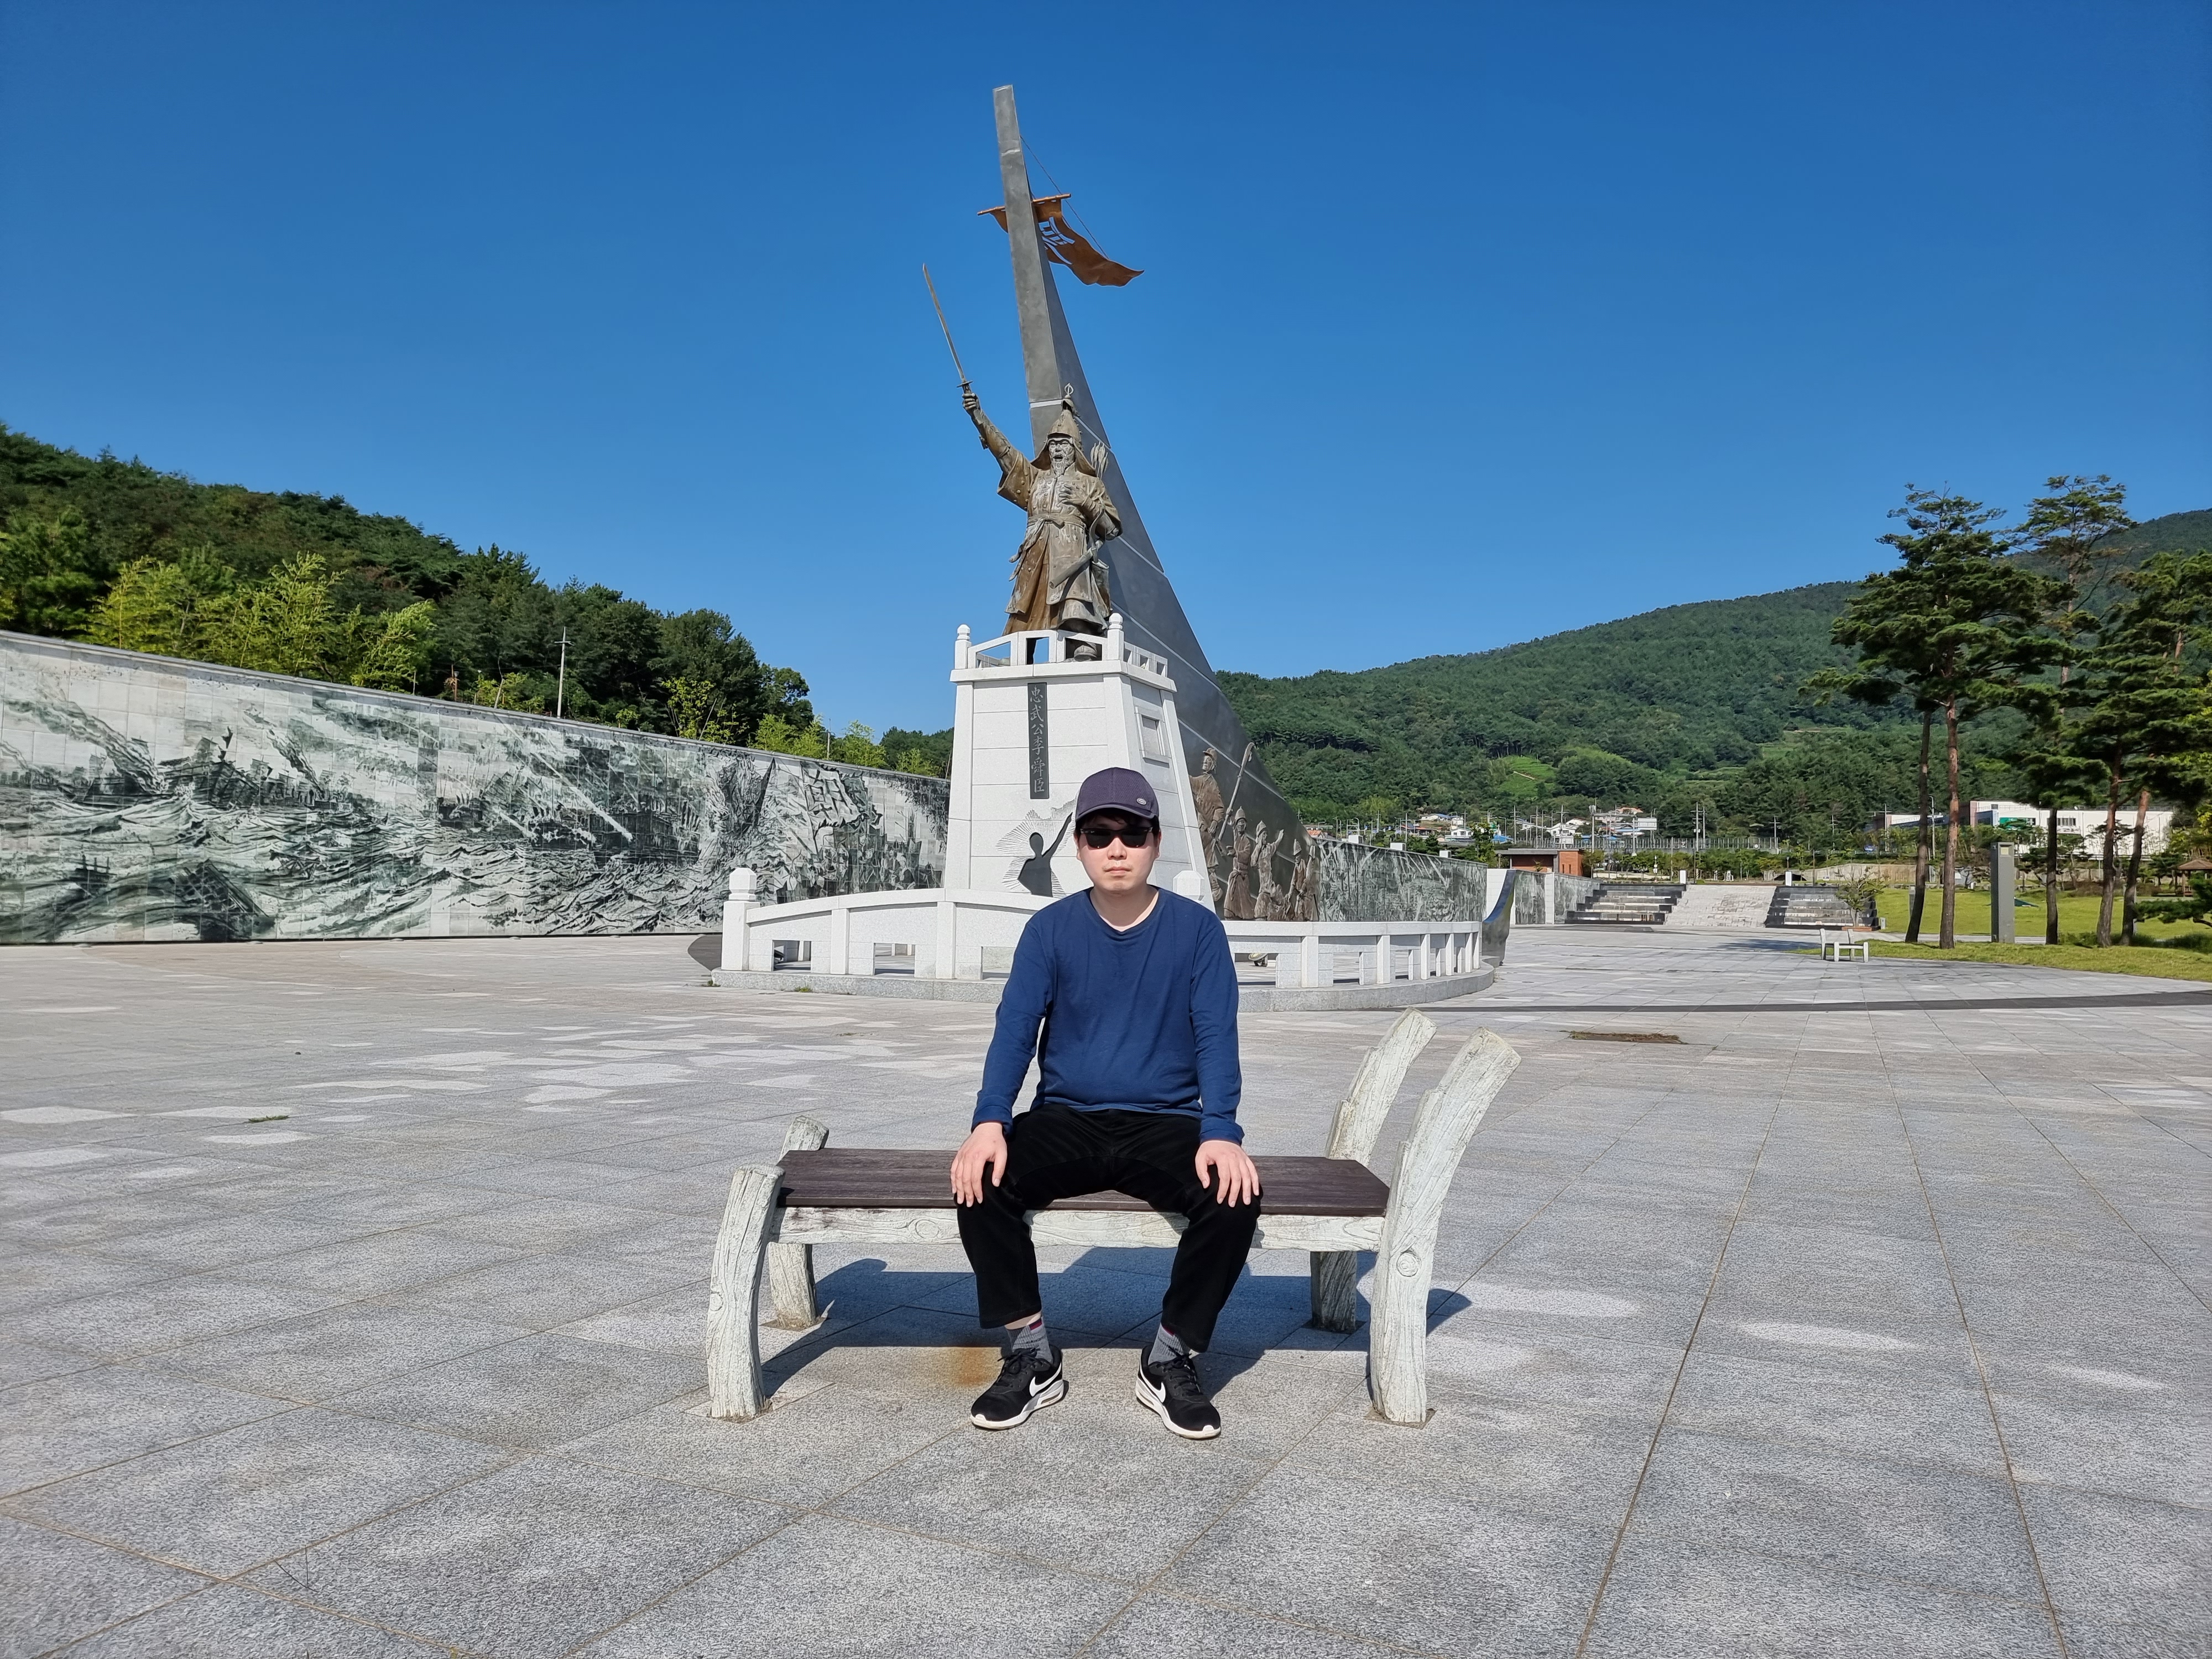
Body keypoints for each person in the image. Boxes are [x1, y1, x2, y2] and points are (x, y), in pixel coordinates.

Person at [950, 766, 1259, 1439]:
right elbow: (1014, 1030)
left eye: (1132, 833)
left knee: (1233, 1195)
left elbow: (1216, 1034)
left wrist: (1220, 1130)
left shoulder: (1197, 931)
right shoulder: (1050, 930)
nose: (1116, 848)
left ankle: (1170, 1357)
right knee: (979, 1179)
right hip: (1066, 1118)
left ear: (1155, 842)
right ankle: (1031, 1353)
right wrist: (989, 1120)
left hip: (1166, 1122)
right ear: (1079, 846)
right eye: (1099, 834)